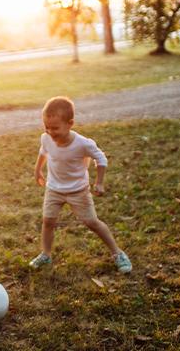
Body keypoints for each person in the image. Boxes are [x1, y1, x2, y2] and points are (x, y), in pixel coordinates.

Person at [27, 96, 132, 274]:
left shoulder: (83, 144)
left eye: (55, 128)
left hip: (78, 191)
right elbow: (43, 152)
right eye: (47, 127)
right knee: (48, 221)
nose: (50, 132)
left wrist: (99, 182)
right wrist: (38, 170)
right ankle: (46, 254)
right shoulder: (46, 138)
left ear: (70, 124)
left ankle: (118, 253)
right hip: (54, 189)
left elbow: (101, 158)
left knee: (91, 222)